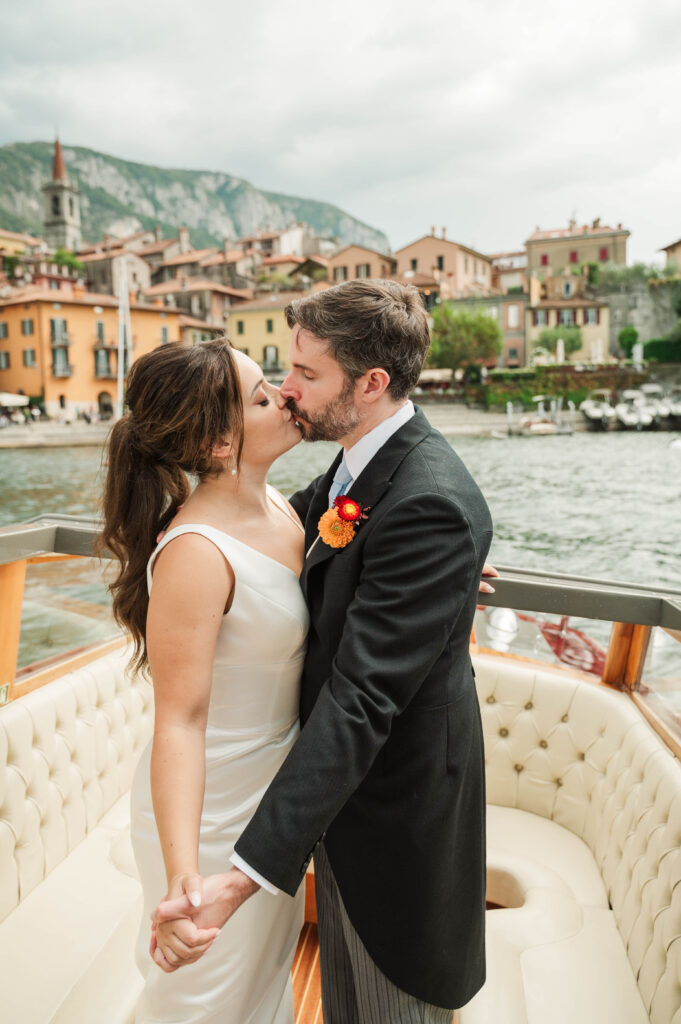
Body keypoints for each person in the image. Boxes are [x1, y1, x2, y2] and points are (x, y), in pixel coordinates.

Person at [154, 280, 495, 1023]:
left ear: (369, 385)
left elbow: (361, 698)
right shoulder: (356, 469)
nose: (288, 388)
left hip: (392, 820)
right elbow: (299, 537)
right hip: (328, 805)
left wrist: (243, 878)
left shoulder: (426, 503)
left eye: (306, 374)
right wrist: (434, 574)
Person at [100, 339, 308, 1023]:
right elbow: (179, 722)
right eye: (261, 396)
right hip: (210, 811)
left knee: (260, 983)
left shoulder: (280, 506)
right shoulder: (195, 553)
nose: (286, 395)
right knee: (202, 1001)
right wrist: (184, 875)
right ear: (221, 442)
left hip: (273, 797)